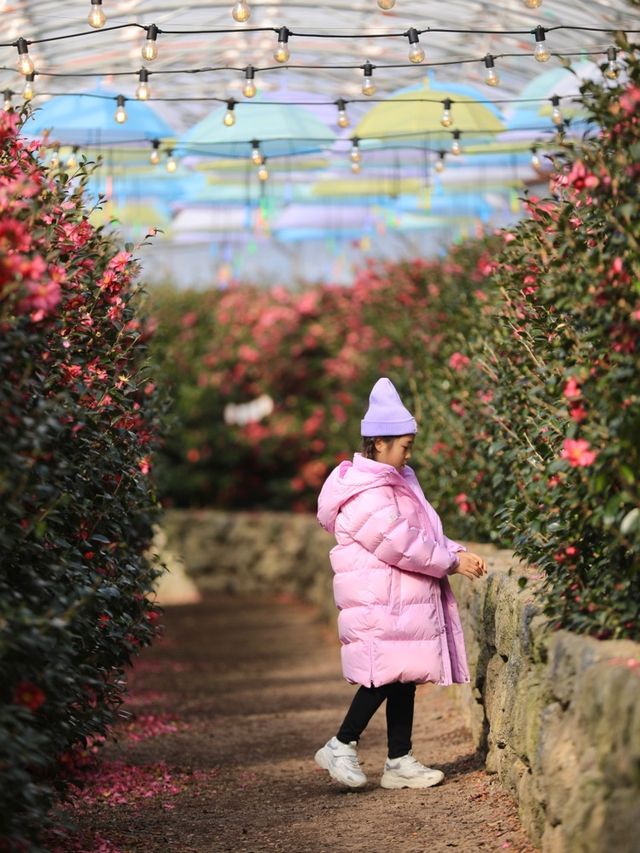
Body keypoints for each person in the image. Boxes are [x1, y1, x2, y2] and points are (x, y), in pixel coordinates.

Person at [314, 377, 487, 790]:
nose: (409, 453)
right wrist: (450, 563)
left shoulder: (398, 480)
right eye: (404, 445)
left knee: (403, 676)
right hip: (380, 602)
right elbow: (401, 544)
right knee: (383, 679)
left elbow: (423, 529)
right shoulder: (366, 492)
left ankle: (399, 759)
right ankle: (341, 743)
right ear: (378, 443)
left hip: (399, 600)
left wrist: (455, 550)